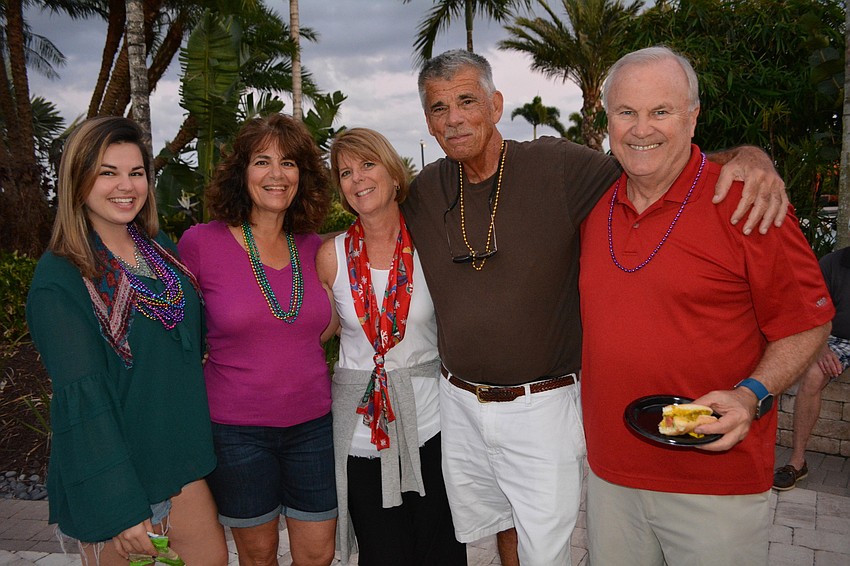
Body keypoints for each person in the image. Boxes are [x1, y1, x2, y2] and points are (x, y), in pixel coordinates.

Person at [401, 48, 790, 566]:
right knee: (498, 526)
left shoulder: (557, 165)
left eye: (466, 101)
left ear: (495, 104)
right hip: (461, 405)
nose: (453, 119)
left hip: (539, 403)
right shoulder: (426, 189)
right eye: (438, 108)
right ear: (427, 121)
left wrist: (748, 159)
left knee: (548, 545)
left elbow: (652, 158)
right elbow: (370, 208)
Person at [578, 46, 834, 565]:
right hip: (611, 479)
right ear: (607, 119)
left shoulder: (746, 202)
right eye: (626, 112)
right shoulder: (594, 204)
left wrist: (751, 395)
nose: (640, 128)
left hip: (717, 485)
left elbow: (809, 322)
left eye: (661, 111)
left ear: (693, 116)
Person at [26, 116, 227, 565]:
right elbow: (83, 399)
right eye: (107, 172)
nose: (126, 186)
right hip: (115, 476)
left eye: (136, 173)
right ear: (78, 180)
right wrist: (121, 508)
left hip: (179, 463)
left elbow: (191, 345)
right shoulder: (60, 280)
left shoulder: (163, 251)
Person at [177, 114, 336, 566]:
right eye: (262, 161)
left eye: (288, 162)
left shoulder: (313, 247)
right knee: (259, 553)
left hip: (313, 426)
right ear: (241, 172)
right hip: (237, 432)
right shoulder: (200, 244)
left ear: (301, 175)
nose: (276, 174)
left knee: (319, 552)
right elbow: (182, 336)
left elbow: (322, 325)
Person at [316, 128, 466, 565]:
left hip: (432, 424)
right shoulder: (332, 256)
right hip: (361, 435)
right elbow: (313, 330)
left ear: (393, 174)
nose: (358, 178)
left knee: (442, 551)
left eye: (368, 164)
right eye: (345, 172)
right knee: (383, 554)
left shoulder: (432, 245)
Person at [774, 246, 850, 490]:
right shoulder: (832, 263)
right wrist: (821, 348)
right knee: (814, 374)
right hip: (834, 337)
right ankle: (798, 462)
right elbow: (809, 310)